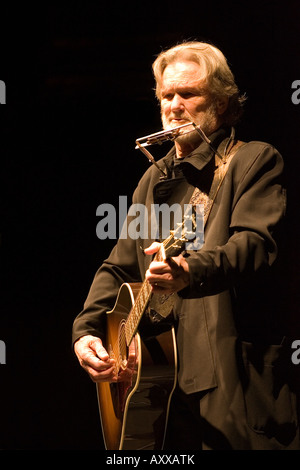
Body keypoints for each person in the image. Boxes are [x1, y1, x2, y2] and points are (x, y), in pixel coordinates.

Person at [72, 41, 299, 450]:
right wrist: (86, 331)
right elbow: (120, 268)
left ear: (223, 104)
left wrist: (189, 270)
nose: (174, 105)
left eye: (189, 94)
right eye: (166, 95)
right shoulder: (153, 178)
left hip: (231, 387)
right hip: (160, 391)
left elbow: (255, 245)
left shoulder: (254, 161)